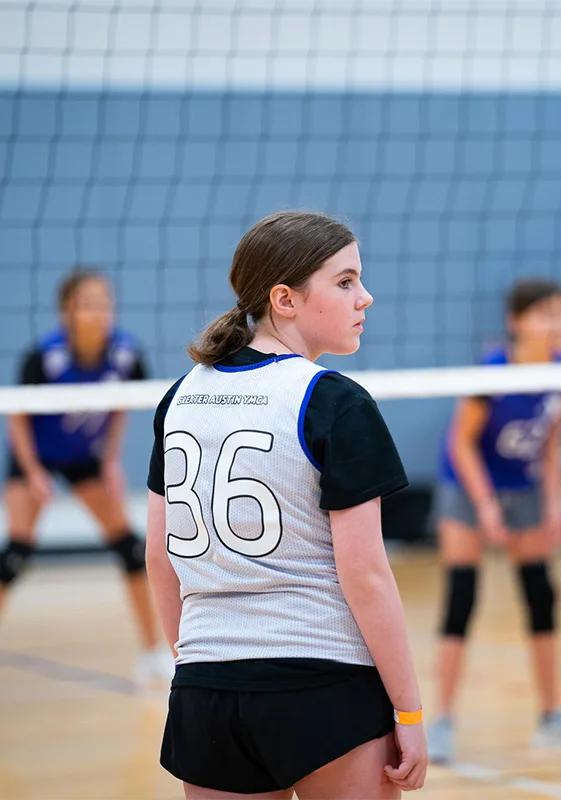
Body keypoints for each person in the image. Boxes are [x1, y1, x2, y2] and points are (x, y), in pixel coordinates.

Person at [145, 211, 427, 799]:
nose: (366, 297)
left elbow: (160, 556)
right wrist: (409, 712)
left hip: (205, 690)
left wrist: (198, 664)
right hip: (322, 684)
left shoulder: (180, 397)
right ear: (285, 299)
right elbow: (366, 576)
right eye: (345, 281)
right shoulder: (333, 401)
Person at [425, 278, 561, 765]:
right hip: (466, 482)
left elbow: (552, 442)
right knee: (462, 596)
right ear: (516, 321)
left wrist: (556, 504)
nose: (557, 323)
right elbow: (461, 443)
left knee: (540, 593)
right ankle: (442, 721)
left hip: (525, 484)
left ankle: (552, 715)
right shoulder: (493, 371)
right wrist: (485, 506)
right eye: (544, 314)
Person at [1, 267, 173, 682]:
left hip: (83, 459)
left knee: (130, 549)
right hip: (36, 455)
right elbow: (18, 418)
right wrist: (33, 473)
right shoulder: (44, 356)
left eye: (105, 302)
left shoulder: (125, 354)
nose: (100, 311)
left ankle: (153, 652)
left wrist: (110, 459)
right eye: (89, 303)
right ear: (68, 311)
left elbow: (122, 404)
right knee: (16, 556)